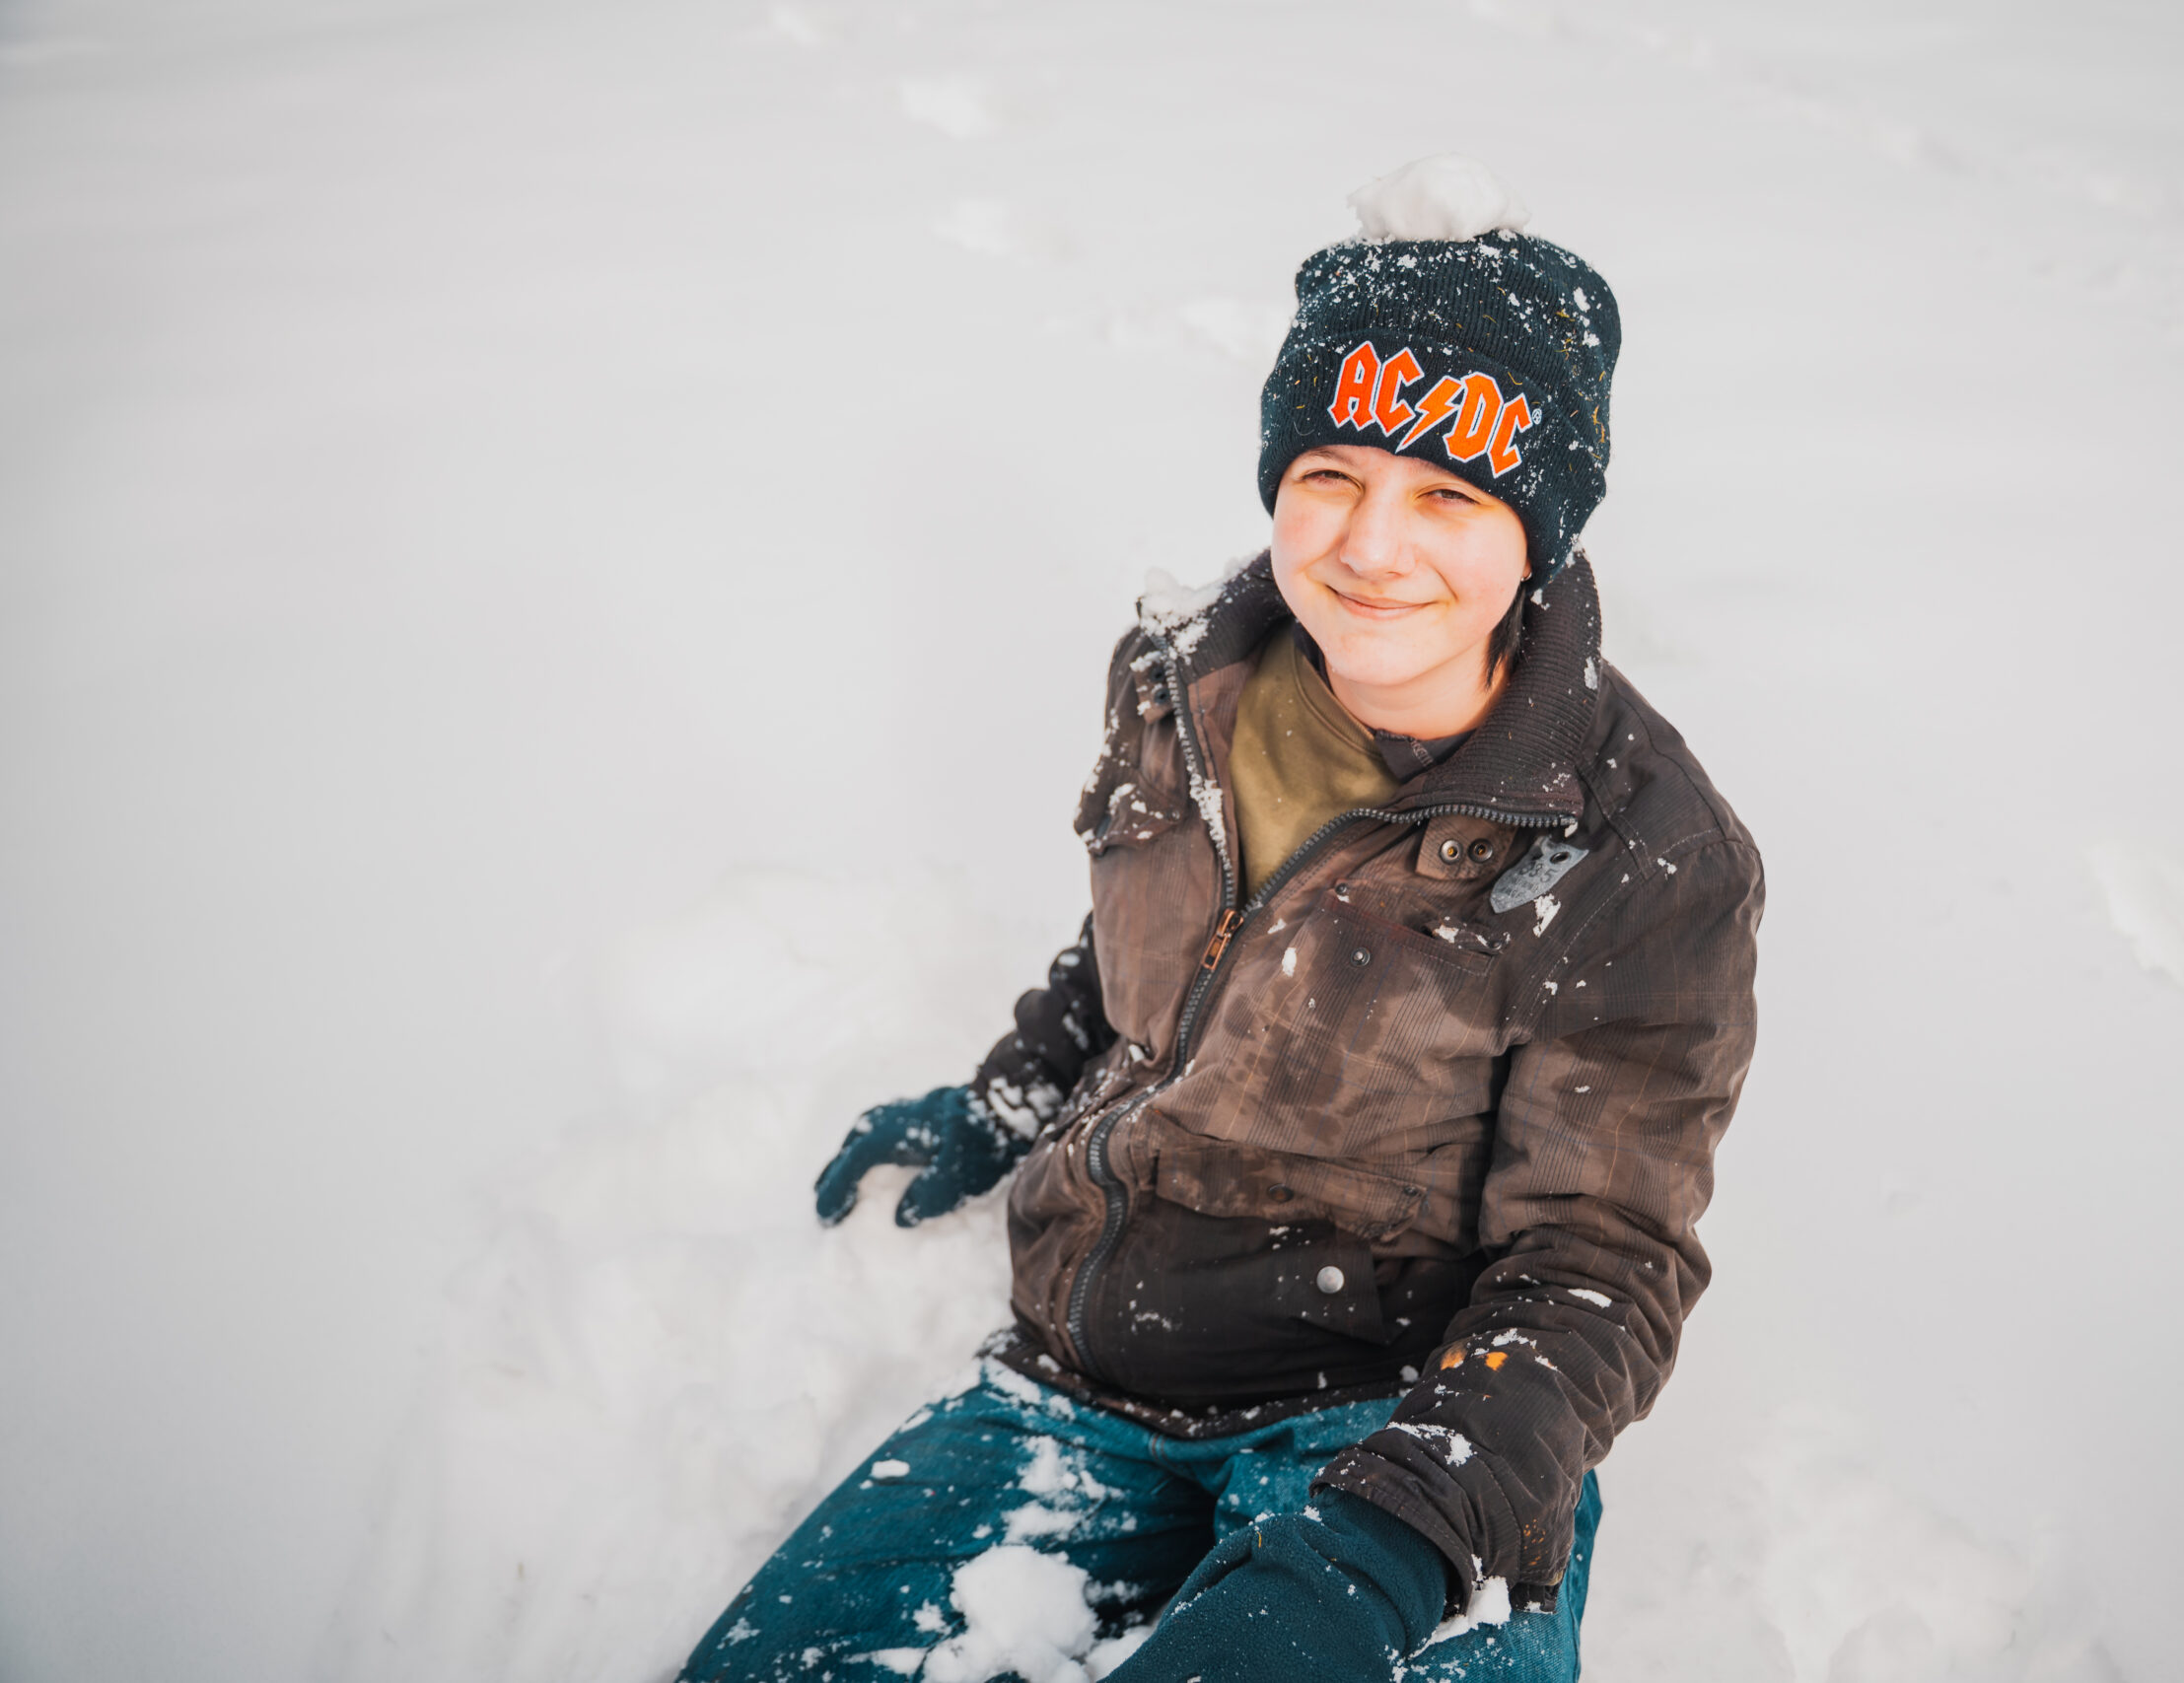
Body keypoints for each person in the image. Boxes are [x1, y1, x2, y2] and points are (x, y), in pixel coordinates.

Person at [678, 161, 1763, 1683]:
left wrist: (1385, 1544)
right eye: (1331, 474)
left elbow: (1599, 1264)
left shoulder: (1639, 852)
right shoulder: (1182, 678)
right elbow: (1146, 948)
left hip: (1398, 1418)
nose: (1371, 546)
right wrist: (1007, 1093)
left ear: (1541, 532)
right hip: (1089, 1377)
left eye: (1450, 495)